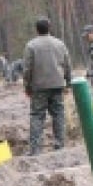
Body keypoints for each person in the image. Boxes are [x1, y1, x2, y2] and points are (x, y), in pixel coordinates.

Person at [22, 17, 71, 155]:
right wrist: (68, 82)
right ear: (49, 28)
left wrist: (27, 86)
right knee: (58, 114)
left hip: (39, 87)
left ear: (37, 29)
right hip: (57, 84)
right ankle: (60, 144)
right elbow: (67, 64)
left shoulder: (31, 46)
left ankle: (36, 148)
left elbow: (27, 69)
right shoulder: (60, 44)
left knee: (37, 115)